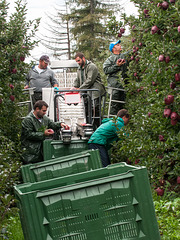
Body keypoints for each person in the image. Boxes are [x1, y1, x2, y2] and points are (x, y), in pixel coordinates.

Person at [21, 100, 69, 164]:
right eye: (43, 111)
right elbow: (28, 134)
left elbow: (52, 124)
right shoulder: (28, 120)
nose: (45, 113)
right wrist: (43, 134)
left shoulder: (44, 118)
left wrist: (60, 124)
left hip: (41, 152)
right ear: (37, 109)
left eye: (45, 111)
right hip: (30, 154)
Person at [72, 52, 105, 128]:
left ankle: (97, 127)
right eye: (76, 61)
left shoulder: (92, 66)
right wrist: (74, 87)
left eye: (79, 60)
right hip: (86, 92)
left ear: (83, 58)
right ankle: (88, 126)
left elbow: (90, 80)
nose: (78, 63)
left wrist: (80, 89)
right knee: (86, 109)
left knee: (95, 109)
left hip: (95, 91)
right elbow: (77, 79)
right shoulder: (79, 69)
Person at [103, 40, 130, 116]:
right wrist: (117, 66)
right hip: (114, 86)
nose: (120, 45)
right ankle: (112, 122)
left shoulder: (124, 56)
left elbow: (132, 52)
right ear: (113, 48)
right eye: (118, 45)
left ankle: (121, 124)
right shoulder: (110, 59)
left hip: (123, 86)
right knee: (114, 105)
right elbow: (106, 70)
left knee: (123, 106)